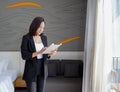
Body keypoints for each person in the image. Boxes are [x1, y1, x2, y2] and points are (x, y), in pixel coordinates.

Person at [21, 17, 57, 92]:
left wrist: (50, 53)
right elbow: (24, 56)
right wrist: (39, 52)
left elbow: (45, 54)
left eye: (43, 28)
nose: (41, 30)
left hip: (42, 69)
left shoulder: (44, 38)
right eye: (40, 27)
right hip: (31, 69)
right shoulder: (26, 38)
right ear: (34, 26)